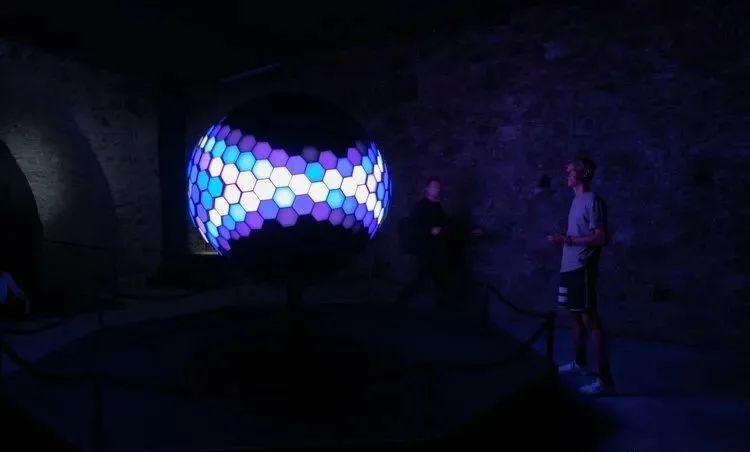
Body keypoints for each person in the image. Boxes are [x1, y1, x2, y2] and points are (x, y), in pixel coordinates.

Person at [547, 157, 614, 395]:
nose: (567, 175)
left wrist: (566, 239)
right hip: (568, 267)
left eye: (570, 171)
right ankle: (580, 362)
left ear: (582, 174)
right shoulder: (576, 200)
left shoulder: (593, 200)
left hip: (581, 269)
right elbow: (578, 234)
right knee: (575, 317)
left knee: (591, 321)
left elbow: (600, 237)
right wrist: (564, 237)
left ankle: (605, 382)